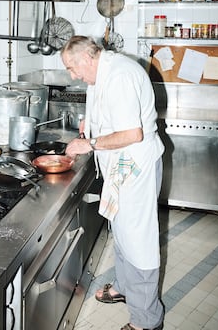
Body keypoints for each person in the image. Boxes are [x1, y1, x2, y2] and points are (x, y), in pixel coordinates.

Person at [61, 36, 164, 330]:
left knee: (139, 241)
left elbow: (133, 134)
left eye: (72, 68)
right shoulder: (101, 72)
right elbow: (110, 112)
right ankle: (125, 287)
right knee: (121, 230)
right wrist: (90, 124)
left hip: (134, 166)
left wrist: (89, 142)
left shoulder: (119, 76)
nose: (72, 75)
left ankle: (146, 320)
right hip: (121, 167)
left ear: (87, 58)